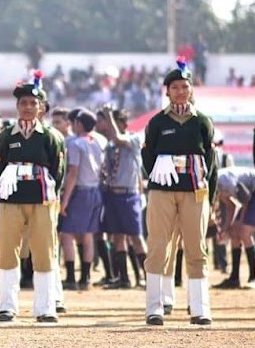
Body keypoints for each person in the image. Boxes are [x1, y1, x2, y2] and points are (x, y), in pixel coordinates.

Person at [142, 57, 217, 326]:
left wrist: (211, 196)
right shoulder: (157, 122)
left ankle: (200, 308)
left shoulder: (202, 122)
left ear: (191, 89)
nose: (180, 91)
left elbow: (211, 162)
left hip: (195, 190)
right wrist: (160, 170)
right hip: (162, 192)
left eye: (184, 87)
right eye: (175, 87)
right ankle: (155, 307)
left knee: (196, 247)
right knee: (158, 246)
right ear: (167, 91)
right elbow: (147, 155)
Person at [0, 70, 65, 323]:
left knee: (44, 251)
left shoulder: (51, 137)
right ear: (16, 107)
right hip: (12, 200)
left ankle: (46, 307)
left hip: (42, 199)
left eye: (33, 103)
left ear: (42, 108)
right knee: (7, 251)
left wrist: (49, 192)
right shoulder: (5, 136)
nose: (27, 107)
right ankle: (7, 306)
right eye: (23, 103)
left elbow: (58, 172)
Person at [95, 106, 147, 289]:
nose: (109, 127)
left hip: (128, 195)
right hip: (113, 194)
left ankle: (149, 277)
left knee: (136, 237)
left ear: (123, 123)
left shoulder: (133, 139)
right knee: (117, 237)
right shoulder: (109, 146)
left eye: (113, 123)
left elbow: (119, 138)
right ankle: (124, 278)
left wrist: (108, 115)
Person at [59, 109, 104, 290]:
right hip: (95, 191)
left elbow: (73, 172)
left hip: (80, 192)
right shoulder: (99, 142)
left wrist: (65, 201)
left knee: (67, 234)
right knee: (87, 235)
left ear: (79, 124)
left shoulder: (76, 144)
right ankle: (85, 278)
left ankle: (70, 277)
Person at [211, 167, 255, 289]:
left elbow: (245, 201)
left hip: (252, 195)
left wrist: (240, 223)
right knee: (234, 233)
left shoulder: (224, 182)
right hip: (250, 196)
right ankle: (234, 278)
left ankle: (253, 277)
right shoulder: (216, 186)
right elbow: (231, 206)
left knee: (244, 232)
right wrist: (225, 229)